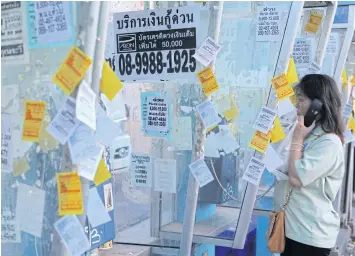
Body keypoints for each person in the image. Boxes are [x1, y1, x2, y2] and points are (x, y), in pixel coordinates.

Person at [273, 74, 345, 256]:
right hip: (292, 229)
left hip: (309, 234)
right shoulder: (308, 134)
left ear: (317, 105)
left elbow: (297, 178)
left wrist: (297, 137)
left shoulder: (328, 142)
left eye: (301, 99)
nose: (297, 104)